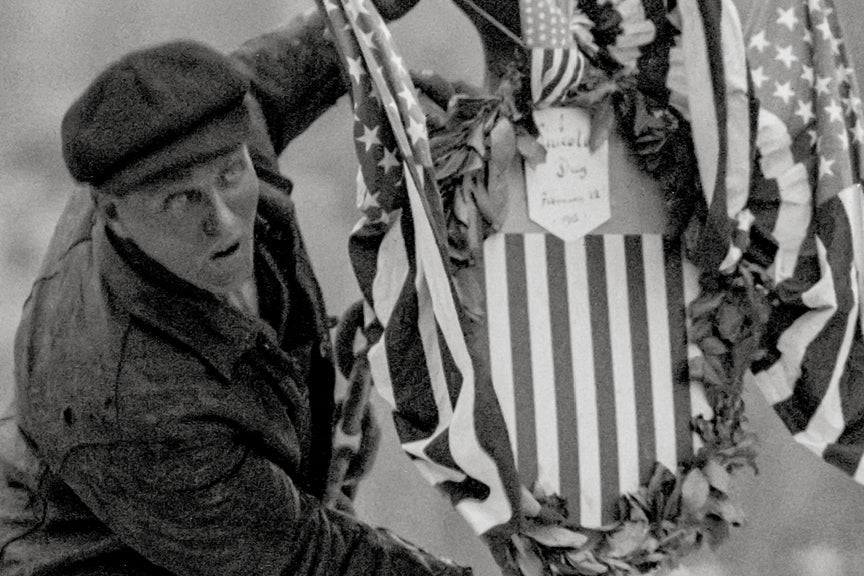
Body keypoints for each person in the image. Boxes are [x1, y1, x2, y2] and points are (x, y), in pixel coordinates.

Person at [0, 4, 471, 575]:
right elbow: (306, 557)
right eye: (183, 200)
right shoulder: (130, 399)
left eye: (230, 176)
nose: (223, 221)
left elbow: (300, 57)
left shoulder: (193, 144)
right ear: (111, 214)